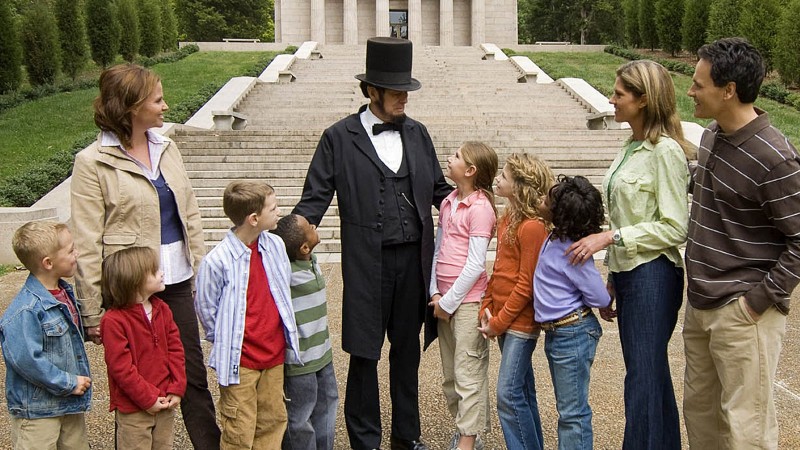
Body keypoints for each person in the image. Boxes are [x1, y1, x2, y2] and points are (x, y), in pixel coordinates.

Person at [292, 36, 452, 450]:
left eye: (406, 91)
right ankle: (365, 441)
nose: (404, 99)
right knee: (364, 356)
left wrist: (476, 202)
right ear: (371, 91)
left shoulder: (418, 134)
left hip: (414, 263)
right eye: (396, 91)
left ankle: (406, 438)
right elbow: (313, 200)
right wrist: (280, 244)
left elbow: (440, 190)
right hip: (367, 266)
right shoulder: (338, 137)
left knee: (407, 354)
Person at [70, 63, 220, 449]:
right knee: (134, 381)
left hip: (176, 280)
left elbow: (190, 215)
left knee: (191, 375)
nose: (165, 106)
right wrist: (92, 312)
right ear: (132, 106)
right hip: (128, 290)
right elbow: (87, 243)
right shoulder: (92, 162)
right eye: (157, 99)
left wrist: (202, 276)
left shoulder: (167, 147)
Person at [565, 60, 692, 449]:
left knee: (642, 378)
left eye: (619, 94)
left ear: (643, 100)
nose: (611, 99)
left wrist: (610, 238)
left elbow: (676, 226)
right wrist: (613, 276)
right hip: (633, 274)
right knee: (647, 375)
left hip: (655, 275)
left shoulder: (665, 151)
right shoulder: (630, 147)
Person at [683, 37, 800, 449]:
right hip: (699, 304)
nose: (690, 91)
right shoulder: (713, 136)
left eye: (698, 84)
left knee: (746, 430)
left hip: (742, 311)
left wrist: (758, 300)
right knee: (702, 420)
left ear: (728, 90)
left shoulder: (776, 158)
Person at [195, 180, 302, 450]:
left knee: (272, 423)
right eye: (274, 208)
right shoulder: (217, 261)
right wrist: (226, 339)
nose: (279, 212)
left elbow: (282, 287)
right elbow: (207, 310)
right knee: (239, 430)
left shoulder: (276, 246)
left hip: (273, 357)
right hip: (240, 362)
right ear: (254, 218)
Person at [477, 153, 552, 450]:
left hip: (519, 321)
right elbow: (500, 270)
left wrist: (498, 321)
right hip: (503, 316)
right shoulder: (507, 217)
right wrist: (487, 303)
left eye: (505, 177)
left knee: (507, 395)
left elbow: (526, 284)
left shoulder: (532, 226)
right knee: (522, 391)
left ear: (519, 186)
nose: (498, 179)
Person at [429, 142, 498, 450]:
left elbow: (474, 264)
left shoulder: (481, 208)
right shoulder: (448, 202)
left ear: (470, 171)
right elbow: (438, 248)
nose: (448, 158)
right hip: (444, 300)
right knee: (449, 377)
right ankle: (466, 430)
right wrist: (435, 291)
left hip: (468, 302)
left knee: (468, 372)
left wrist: (449, 301)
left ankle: (467, 440)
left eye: (456, 156)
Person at [534, 175, 611, 450]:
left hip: (572, 333)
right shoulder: (555, 238)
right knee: (568, 409)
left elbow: (600, 296)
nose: (541, 200)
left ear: (560, 214)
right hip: (559, 334)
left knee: (572, 413)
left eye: (547, 200)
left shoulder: (573, 250)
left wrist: (596, 301)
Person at [0, 221, 92, 449]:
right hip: (38, 412)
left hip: (69, 404)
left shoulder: (64, 293)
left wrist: (90, 331)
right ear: (48, 263)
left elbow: (65, 337)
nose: (76, 253)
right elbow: (27, 360)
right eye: (71, 250)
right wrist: (68, 382)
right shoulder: (25, 310)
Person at [100, 247, 186, 450]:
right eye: (155, 271)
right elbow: (121, 368)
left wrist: (177, 387)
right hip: (134, 408)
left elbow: (176, 350)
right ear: (135, 280)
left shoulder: (162, 309)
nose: (162, 273)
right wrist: (147, 399)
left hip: (165, 401)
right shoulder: (114, 321)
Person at [270, 213, 338, 450]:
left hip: (323, 354)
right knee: (300, 417)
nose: (312, 224)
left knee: (327, 406)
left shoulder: (311, 259)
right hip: (300, 361)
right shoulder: (285, 273)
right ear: (304, 246)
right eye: (308, 226)